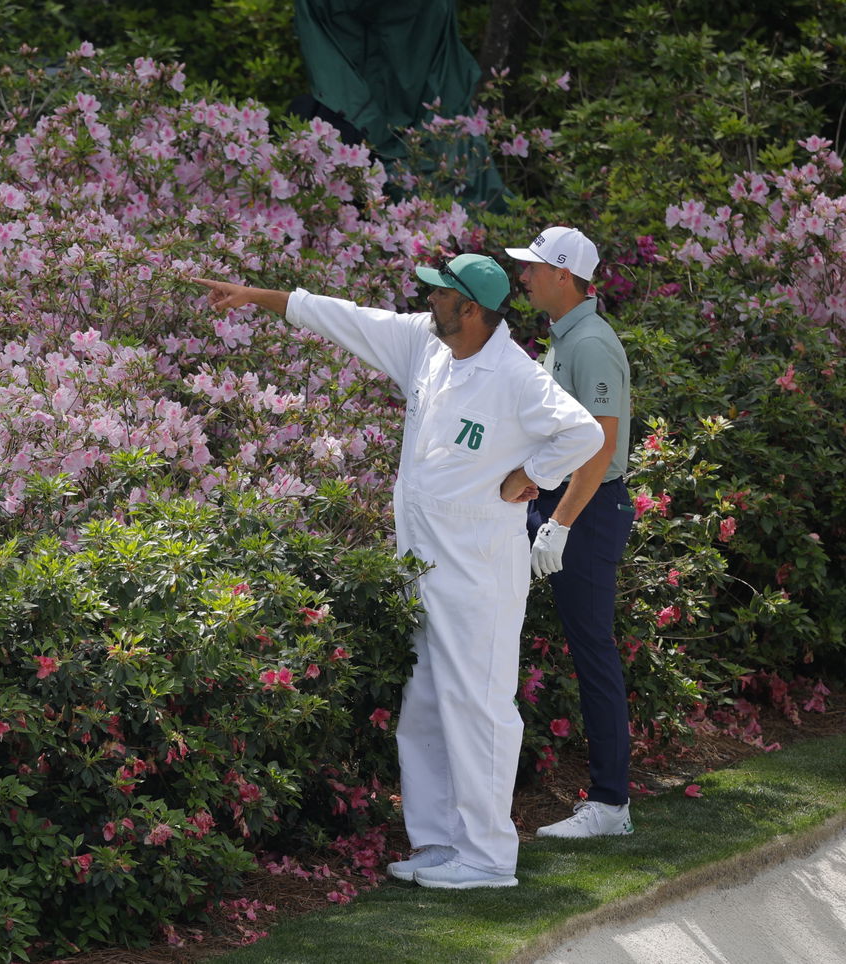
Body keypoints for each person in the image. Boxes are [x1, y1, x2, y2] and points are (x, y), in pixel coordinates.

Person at [193, 255, 603, 889]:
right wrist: (257, 294)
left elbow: (582, 433)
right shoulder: (424, 342)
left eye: (439, 293)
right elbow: (343, 318)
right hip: (422, 567)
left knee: (480, 710)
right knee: (427, 708)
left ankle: (489, 859)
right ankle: (439, 843)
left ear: (471, 308)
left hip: (480, 576)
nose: (426, 299)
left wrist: (531, 477)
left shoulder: (516, 376)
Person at [505, 226, 637, 838]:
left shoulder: (590, 344)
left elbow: (601, 446)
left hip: (583, 512)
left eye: (533, 268)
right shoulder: (563, 340)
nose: (523, 276)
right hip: (559, 506)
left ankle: (611, 805)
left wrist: (559, 524)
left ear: (563, 275)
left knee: (593, 654)